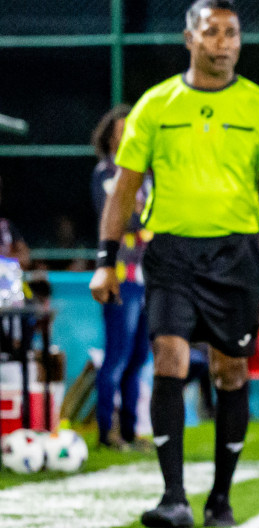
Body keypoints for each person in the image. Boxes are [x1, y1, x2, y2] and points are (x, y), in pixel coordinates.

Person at [91, 0, 259, 528]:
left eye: (231, 33)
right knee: (169, 359)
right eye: (211, 32)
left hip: (236, 256)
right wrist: (104, 260)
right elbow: (123, 190)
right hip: (171, 255)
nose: (223, 42)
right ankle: (173, 497)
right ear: (190, 38)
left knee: (230, 371)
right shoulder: (156, 105)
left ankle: (221, 500)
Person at [90, 105, 152, 451]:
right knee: (116, 353)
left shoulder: (148, 174)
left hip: (148, 277)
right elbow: (116, 217)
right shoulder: (105, 173)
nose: (126, 136)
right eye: (119, 132)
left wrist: (141, 216)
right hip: (120, 276)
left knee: (140, 355)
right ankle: (105, 431)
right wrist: (144, 219)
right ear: (110, 138)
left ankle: (129, 430)